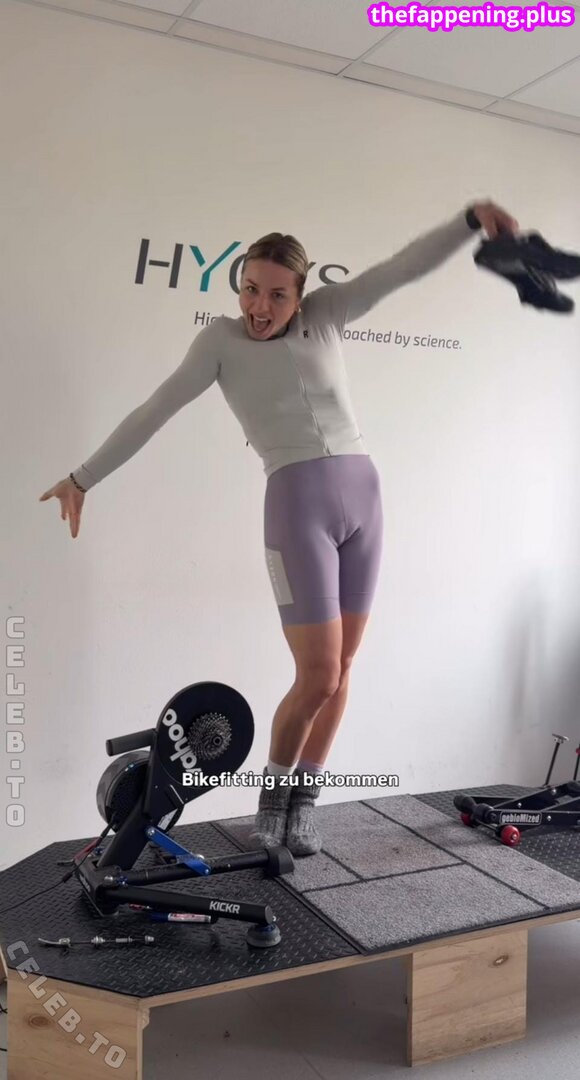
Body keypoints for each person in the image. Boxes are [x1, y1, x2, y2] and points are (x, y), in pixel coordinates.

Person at [40, 199, 519, 857]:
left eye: (275, 294)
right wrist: (82, 477)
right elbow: (154, 410)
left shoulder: (329, 313)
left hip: (365, 498)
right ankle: (273, 801)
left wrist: (469, 222)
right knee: (317, 674)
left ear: (300, 294)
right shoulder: (220, 343)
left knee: (342, 668)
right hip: (296, 508)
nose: (258, 307)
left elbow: (403, 267)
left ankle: (304, 804)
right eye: (249, 289)